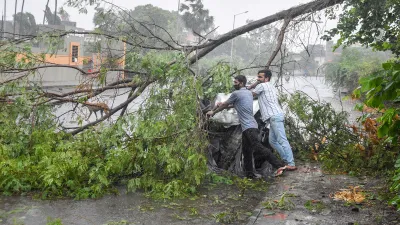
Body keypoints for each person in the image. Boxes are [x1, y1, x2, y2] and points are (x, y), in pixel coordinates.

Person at [206, 75, 286, 178]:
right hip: (249, 127)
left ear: (241, 83)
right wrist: (224, 105)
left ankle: (279, 165)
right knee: (246, 151)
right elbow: (235, 104)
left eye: (235, 82)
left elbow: (225, 105)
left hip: (249, 127)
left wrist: (213, 112)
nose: (234, 84)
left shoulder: (236, 93)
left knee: (258, 147)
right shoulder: (248, 93)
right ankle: (250, 174)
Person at [247, 69, 297, 171]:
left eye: (260, 77)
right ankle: (286, 160)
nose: (258, 79)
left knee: (282, 140)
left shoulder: (262, 86)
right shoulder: (270, 86)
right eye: (258, 77)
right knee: (273, 141)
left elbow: (249, 94)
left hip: (274, 116)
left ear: (267, 78)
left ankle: (291, 163)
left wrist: (250, 86)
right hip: (275, 116)